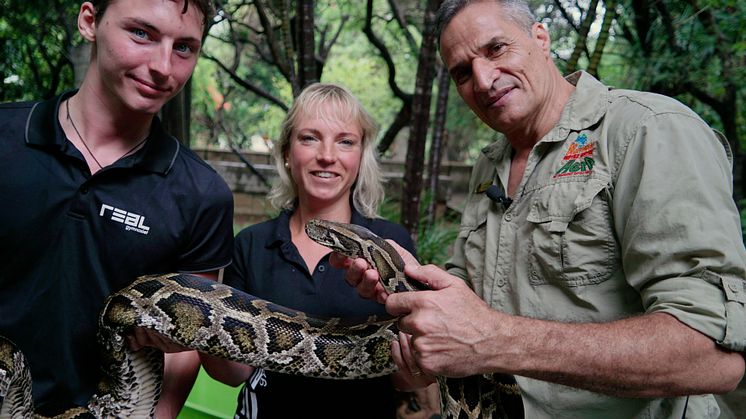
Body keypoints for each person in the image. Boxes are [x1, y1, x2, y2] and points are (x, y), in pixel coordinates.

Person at [333, 0, 746, 418]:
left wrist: (495, 340)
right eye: (461, 72)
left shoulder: (648, 130)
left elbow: (711, 354)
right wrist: (405, 280)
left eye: (496, 49)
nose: (483, 79)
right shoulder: (489, 164)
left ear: (541, 39)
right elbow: (472, 311)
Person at [0, 1, 234, 417]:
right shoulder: (5, 139)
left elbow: (187, 341)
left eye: (184, 47)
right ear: (89, 21)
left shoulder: (202, 194)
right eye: (142, 33)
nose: (163, 66)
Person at [199, 82, 418, 418]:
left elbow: (409, 380)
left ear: (361, 156)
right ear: (287, 152)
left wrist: (404, 316)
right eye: (309, 137)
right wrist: (203, 322)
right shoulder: (252, 243)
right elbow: (233, 374)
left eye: (345, 141)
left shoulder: (391, 244)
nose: (327, 155)